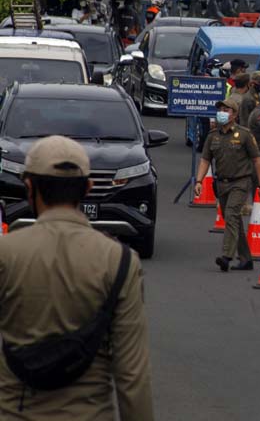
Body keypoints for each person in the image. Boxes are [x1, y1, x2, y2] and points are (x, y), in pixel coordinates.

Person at [0, 136, 153, 419]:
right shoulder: (119, 261)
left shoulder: (7, 254)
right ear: (88, 188)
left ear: (30, 188)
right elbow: (132, 376)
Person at [195, 99, 260, 272]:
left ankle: (226, 256)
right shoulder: (213, 136)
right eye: (220, 109)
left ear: (234, 114)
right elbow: (205, 160)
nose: (222, 112)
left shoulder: (244, 134)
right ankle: (246, 259)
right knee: (233, 220)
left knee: (231, 214)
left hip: (241, 182)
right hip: (221, 184)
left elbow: (257, 160)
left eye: (226, 109)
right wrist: (198, 181)